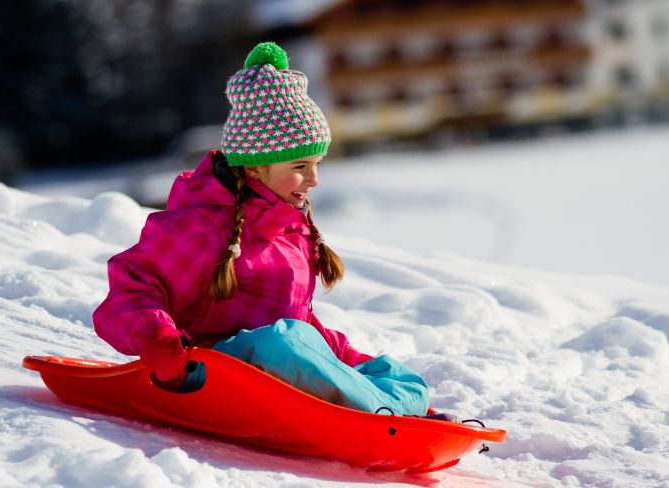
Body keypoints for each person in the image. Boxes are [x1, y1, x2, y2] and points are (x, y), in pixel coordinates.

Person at [92, 42, 432, 417]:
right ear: (254, 168)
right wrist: (158, 341)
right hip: (204, 372)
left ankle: (392, 405)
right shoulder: (200, 226)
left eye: (317, 164)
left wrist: (357, 369)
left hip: (277, 367)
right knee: (281, 343)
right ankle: (378, 414)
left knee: (396, 375)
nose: (314, 180)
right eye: (300, 167)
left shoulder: (292, 234)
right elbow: (131, 288)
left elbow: (301, 330)